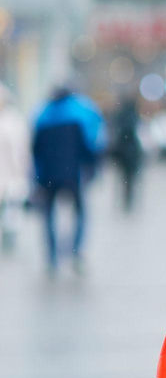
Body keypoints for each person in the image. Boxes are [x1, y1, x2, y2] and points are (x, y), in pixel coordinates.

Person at [31, 84, 105, 274]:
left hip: (48, 176)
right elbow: (88, 148)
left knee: (49, 216)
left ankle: (52, 256)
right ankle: (76, 251)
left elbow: (35, 151)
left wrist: (37, 177)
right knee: (80, 213)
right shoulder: (78, 116)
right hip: (72, 175)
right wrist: (94, 169)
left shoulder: (43, 117)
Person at [0, 83, 30, 253]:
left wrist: (21, 171)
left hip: (9, 174)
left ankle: (8, 239)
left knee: (10, 210)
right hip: (6, 173)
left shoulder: (13, 122)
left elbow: (19, 151)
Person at [109, 97, 144, 212]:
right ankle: (128, 202)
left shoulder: (121, 117)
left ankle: (125, 201)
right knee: (130, 180)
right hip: (131, 155)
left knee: (124, 180)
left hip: (123, 154)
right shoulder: (134, 118)